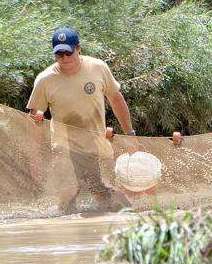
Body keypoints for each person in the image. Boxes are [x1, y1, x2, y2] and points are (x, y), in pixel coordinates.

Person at [27, 27, 135, 213]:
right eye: (59, 54)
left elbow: (116, 99)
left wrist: (130, 134)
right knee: (68, 191)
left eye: (69, 52)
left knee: (99, 192)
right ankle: (66, 231)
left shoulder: (97, 68)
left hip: (92, 143)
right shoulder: (45, 80)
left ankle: (129, 214)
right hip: (63, 144)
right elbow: (34, 120)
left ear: (79, 48)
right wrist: (34, 158)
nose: (65, 58)